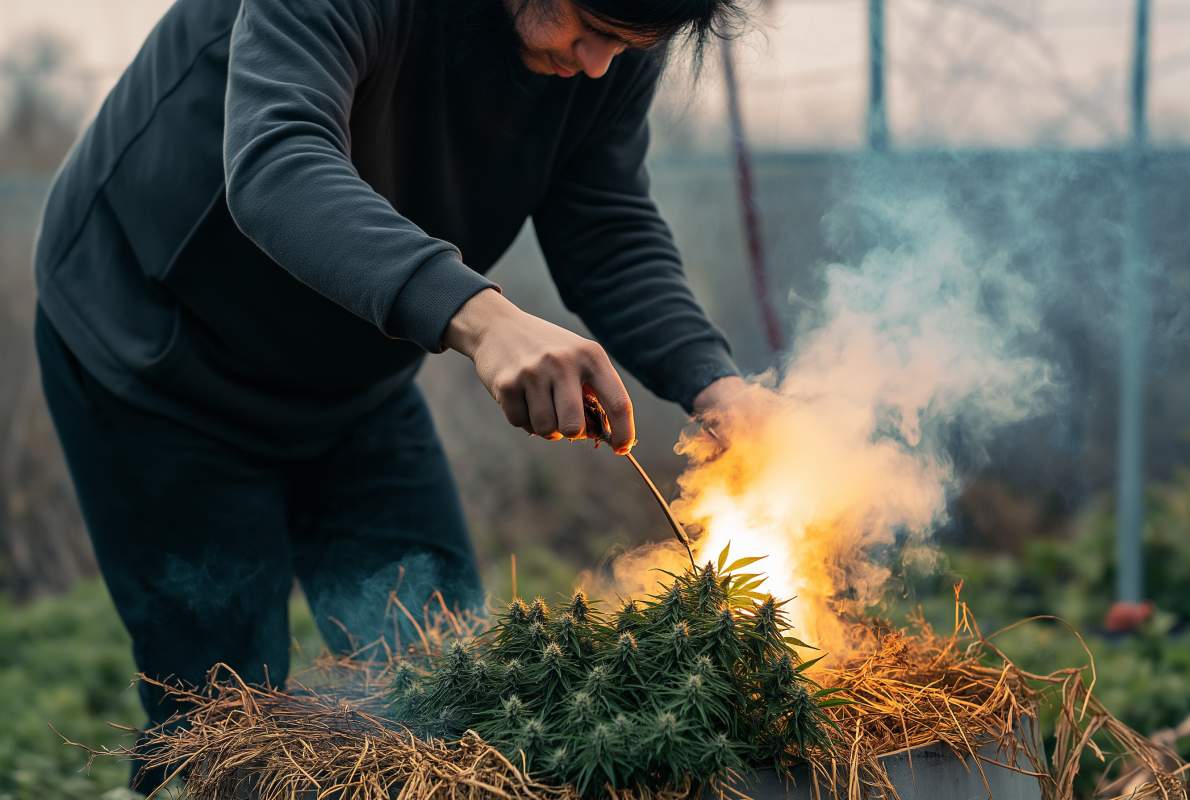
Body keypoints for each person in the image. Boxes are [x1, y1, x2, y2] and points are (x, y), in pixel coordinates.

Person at [33, 0, 746, 790]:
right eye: (592, 28)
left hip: (353, 384)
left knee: (448, 692)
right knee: (225, 722)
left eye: (629, 46)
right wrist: (482, 317)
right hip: (158, 362)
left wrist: (713, 383)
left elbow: (606, 228)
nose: (598, 64)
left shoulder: (612, 34)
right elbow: (278, 163)